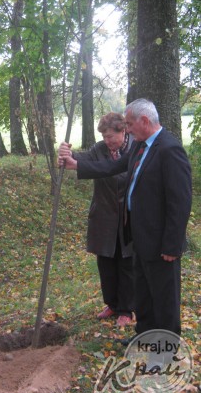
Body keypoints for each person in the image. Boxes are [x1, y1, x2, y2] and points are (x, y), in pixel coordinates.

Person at [58, 99, 192, 338]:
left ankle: (165, 350)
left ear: (144, 121)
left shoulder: (169, 149)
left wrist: (172, 244)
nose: (127, 129)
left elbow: (180, 202)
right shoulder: (141, 147)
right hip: (139, 238)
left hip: (161, 242)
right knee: (144, 295)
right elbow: (112, 167)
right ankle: (144, 337)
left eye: (129, 124)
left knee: (163, 298)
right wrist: (75, 164)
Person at [71, 112, 134, 327]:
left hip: (128, 217)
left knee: (126, 263)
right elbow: (81, 158)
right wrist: (66, 153)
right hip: (104, 216)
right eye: (105, 137)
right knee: (106, 262)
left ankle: (126, 310)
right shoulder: (99, 149)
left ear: (123, 131)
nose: (108, 141)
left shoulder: (135, 148)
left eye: (111, 137)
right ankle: (112, 304)